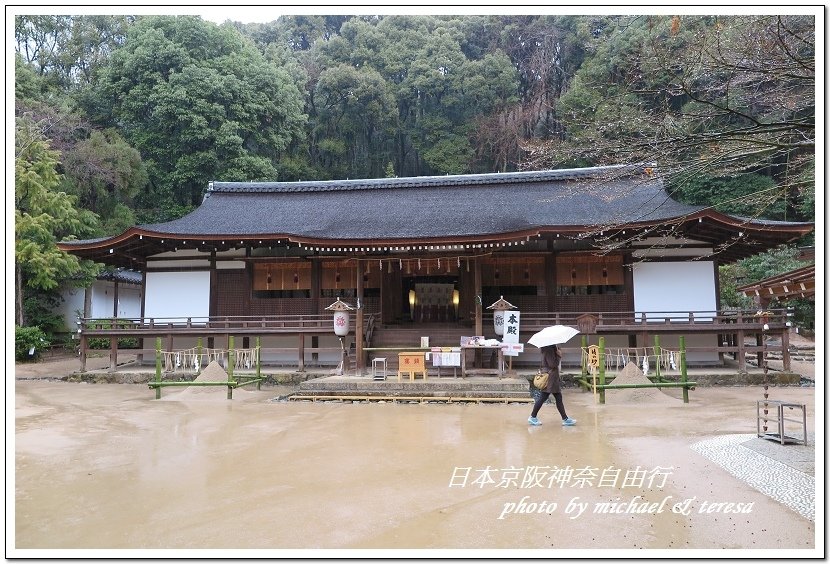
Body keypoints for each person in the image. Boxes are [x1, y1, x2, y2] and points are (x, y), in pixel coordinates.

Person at [528, 344, 576, 426]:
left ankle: (565, 419)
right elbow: (552, 364)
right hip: (550, 378)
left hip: (552, 377)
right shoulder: (549, 349)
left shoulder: (548, 348)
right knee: (544, 397)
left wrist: (557, 352)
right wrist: (559, 355)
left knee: (557, 397)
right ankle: (532, 416)